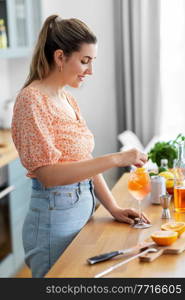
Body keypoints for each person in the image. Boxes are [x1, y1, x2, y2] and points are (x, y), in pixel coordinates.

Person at [11, 14, 149, 278]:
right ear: (60, 57)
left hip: (82, 210)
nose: (90, 71)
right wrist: (115, 159)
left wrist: (113, 208)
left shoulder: (67, 99)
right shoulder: (31, 100)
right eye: (85, 61)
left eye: (92, 61)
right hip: (54, 220)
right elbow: (48, 175)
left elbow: (83, 159)